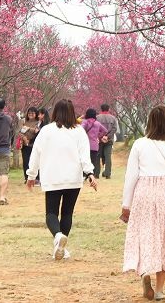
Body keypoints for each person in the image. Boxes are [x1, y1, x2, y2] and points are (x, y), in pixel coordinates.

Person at [122, 105, 165, 301]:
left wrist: (126, 204)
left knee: (145, 235)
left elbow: (131, 176)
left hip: (145, 194)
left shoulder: (139, 144)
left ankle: (145, 273)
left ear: (149, 121)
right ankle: (159, 290)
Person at [26, 99, 98, 260]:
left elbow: (36, 153)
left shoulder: (46, 131)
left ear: (55, 112)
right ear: (72, 112)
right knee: (67, 213)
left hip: (52, 177)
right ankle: (62, 247)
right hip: (73, 178)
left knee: (51, 213)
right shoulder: (79, 131)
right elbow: (84, 156)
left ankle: (58, 237)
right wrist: (90, 173)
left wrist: (31, 175)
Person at [81, 108, 109, 178]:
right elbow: (105, 131)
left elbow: (81, 130)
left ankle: (84, 176)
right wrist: (98, 136)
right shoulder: (97, 123)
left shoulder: (85, 122)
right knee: (93, 162)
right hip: (94, 146)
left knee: (84, 161)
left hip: (85, 145)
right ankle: (91, 177)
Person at [96, 103, 120, 179]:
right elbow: (114, 129)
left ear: (101, 109)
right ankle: (107, 174)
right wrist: (107, 136)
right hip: (109, 140)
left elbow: (95, 129)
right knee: (108, 157)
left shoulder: (97, 118)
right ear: (108, 109)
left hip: (99, 140)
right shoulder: (113, 118)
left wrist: (101, 137)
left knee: (97, 157)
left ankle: (96, 174)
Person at [19, 107, 40, 181]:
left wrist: (27, 128)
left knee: (35, 161)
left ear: (36, 114)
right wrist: (24, 138)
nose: (30, 114)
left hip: (34, 145)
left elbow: (37, 131)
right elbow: (20, 131)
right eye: (29, 113)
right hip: (25, 145)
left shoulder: (38, 122)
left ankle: (36, 178)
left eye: (32, 113)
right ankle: (26, 178)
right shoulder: (23, 121)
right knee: (26, 161)